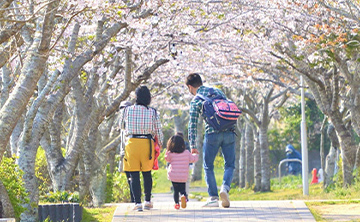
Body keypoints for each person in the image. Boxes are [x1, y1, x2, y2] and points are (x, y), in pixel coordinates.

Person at [185, 73, 236, 208]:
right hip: (229, 131)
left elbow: (193, 124)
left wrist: (193, 145)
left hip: (212, 134)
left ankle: (213, 198)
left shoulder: (196, 100)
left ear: (190, 87)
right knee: (229, 164)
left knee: (208, 166)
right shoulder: (218, 91)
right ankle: (224, 188)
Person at [119, 86, 163, 211]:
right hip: (147, 144)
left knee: (134, 174)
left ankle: (137, 203)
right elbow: (158, 130)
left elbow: (121, 126)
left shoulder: (127, 110)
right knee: (147, 173)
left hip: (132, 143)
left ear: (135, 97)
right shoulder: (153, 112)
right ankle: (147, 201)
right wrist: (160, 143)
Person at [165, 135, 199, 209]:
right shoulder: (186, 153)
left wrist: (167, 150)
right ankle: (184, 196)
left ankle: (177, 204)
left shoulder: (171, 154)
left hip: (173, 175)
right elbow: (193, 159)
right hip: (183, 176)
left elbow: (166, 158)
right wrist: (196, 154)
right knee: (182, 189)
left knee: (175, 191)